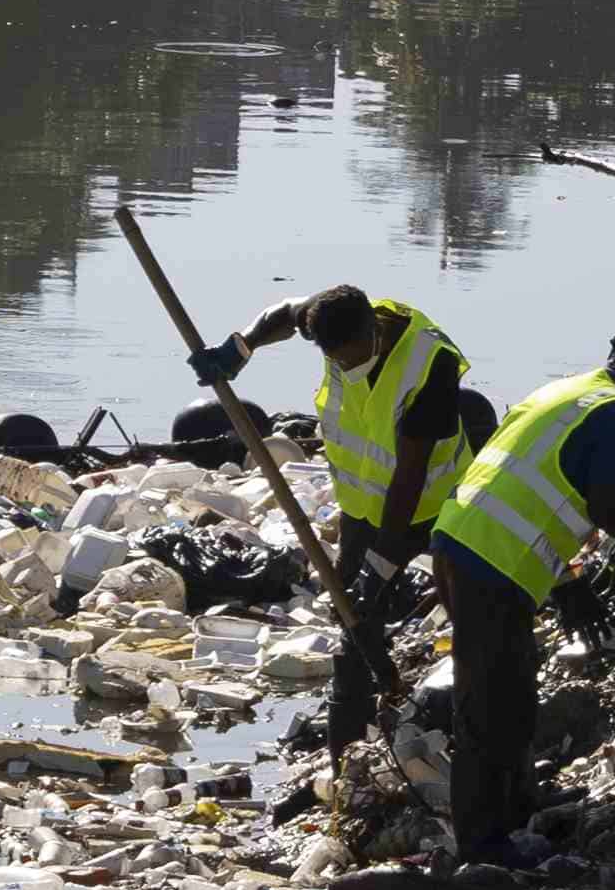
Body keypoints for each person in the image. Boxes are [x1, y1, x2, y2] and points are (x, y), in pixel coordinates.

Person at [423, 326, 615, 860]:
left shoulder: (561, 392)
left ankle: (520, 803)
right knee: (489, 703)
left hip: (462, 542)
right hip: (492, 563)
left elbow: (530, 486)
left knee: (516, 686)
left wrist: (568, 581)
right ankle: (483, 844)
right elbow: (607, 510)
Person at [188, 284, 492, 743]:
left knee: (465, 608)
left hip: (434, 505)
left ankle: (475, 717)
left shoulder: (431, 365)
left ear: (373, 328)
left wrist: (382, 564)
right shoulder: (331, 319)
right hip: (360, 506)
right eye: (336, 360)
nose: (345, 367)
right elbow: (286, 311)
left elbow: (409, 476)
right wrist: (239, 348)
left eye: (350, 357)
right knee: (356, 622)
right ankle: (351, 740)